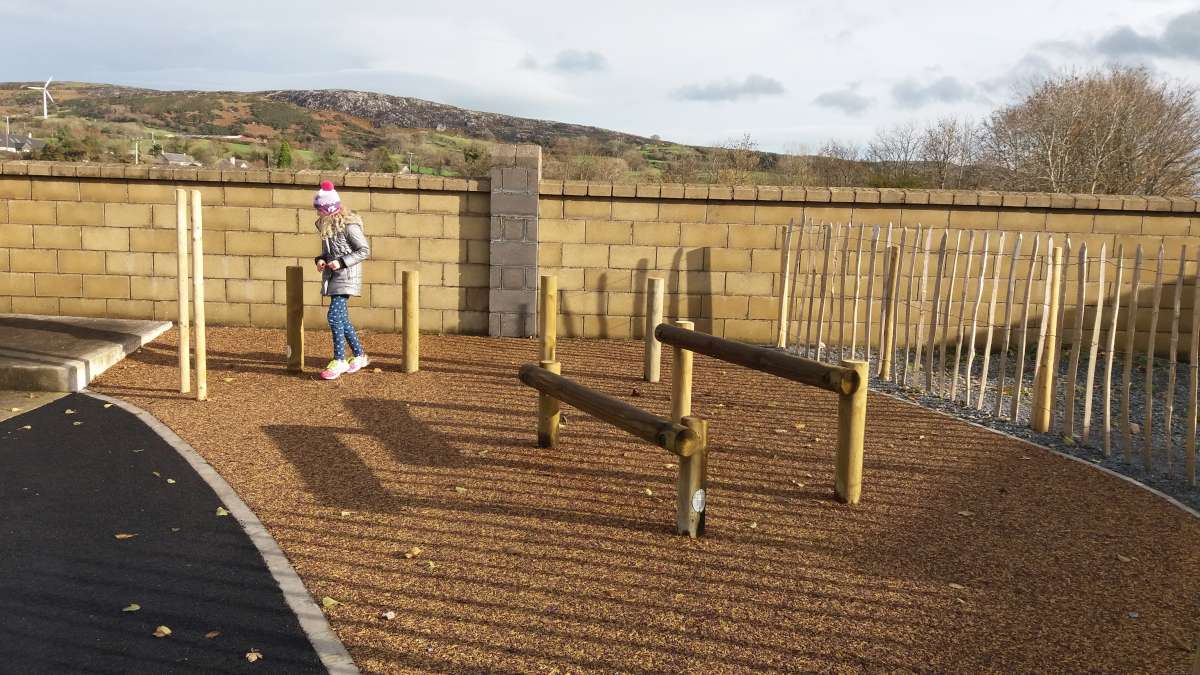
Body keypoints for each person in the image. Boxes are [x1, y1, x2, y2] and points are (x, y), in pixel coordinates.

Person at [312, 181, 371, 380]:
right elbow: (327, 252)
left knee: (333, 316)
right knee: (342, 318)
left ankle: (340, 360)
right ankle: (359, 356)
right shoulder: (327, 225)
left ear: (329, 209)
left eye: (319, 209)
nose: (317, 212)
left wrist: (342, 262)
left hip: (347, 276)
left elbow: (364, 250)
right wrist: (321, 260)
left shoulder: (349, 226)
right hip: (334, 276)